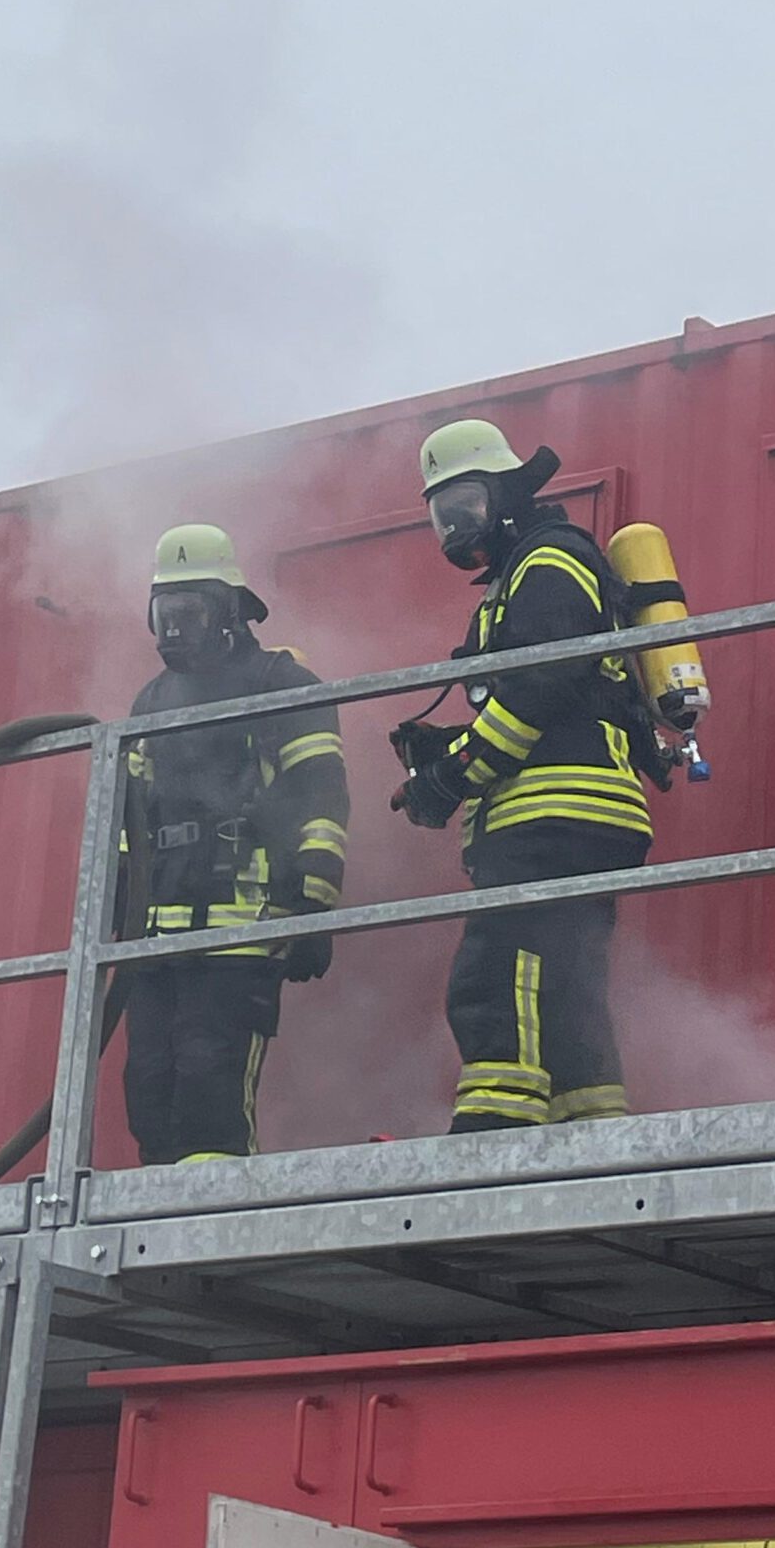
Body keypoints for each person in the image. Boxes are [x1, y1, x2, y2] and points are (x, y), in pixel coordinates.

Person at [391, 420, 651, 1131]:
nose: (456, 530)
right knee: (567, 991)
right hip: (574, 808)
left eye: (467, 508)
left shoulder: (550, 562)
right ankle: (589, 1135)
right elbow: (544, 695)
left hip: (551, 810)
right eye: (443, 516)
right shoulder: (524, 576)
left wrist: (451, 777)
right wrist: (445, 751)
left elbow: (540, 690)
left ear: (508, 492)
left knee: (496, 977)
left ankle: (494, 1138)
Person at [119, 524, 349, 1164]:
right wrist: (116, 918)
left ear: (229, 611)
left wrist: (313, 905)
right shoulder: (152, 702)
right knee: (149, 1094)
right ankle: (157, 1237)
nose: (174, 629)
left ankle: (204, 1231)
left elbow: (321, 798)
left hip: (243, 929)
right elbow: (127, 819)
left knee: (208, 1091)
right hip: (157, 940)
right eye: (165, 613)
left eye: (189, 612)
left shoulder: (280, 683)